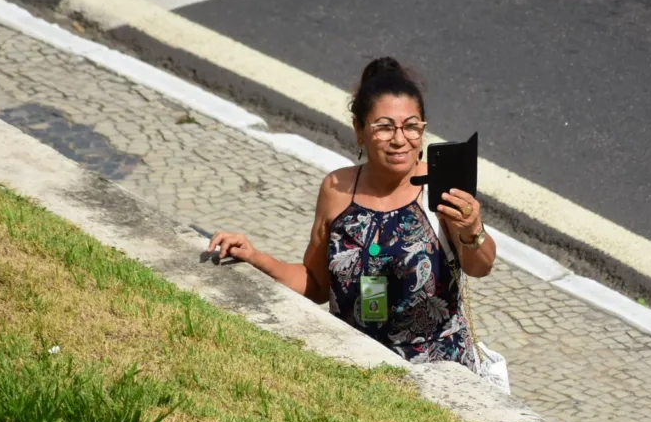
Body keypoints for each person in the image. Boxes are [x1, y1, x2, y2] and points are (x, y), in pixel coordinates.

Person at [207, 57, 496, 371]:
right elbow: (316, 284)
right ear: (359, 130)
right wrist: (254, 257)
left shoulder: (438, 186)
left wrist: (472, 229)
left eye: (411, 127)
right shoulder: (336, 188)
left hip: (438, 374)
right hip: (355, 368)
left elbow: (480, 266)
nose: (400, 140)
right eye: (384, 128)